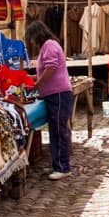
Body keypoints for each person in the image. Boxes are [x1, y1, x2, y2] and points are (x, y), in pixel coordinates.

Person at [26, 21, 73, 180]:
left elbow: (51, 68)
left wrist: (37, 84)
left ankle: (63, 167)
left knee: (59, 131)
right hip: (53, 94)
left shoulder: (50, 45)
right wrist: (28, 78)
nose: (32, 41)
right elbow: (45, 70)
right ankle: (57, 164)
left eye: (32, 37)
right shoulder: (47, 47)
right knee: (54, 130)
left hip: (58, 93)